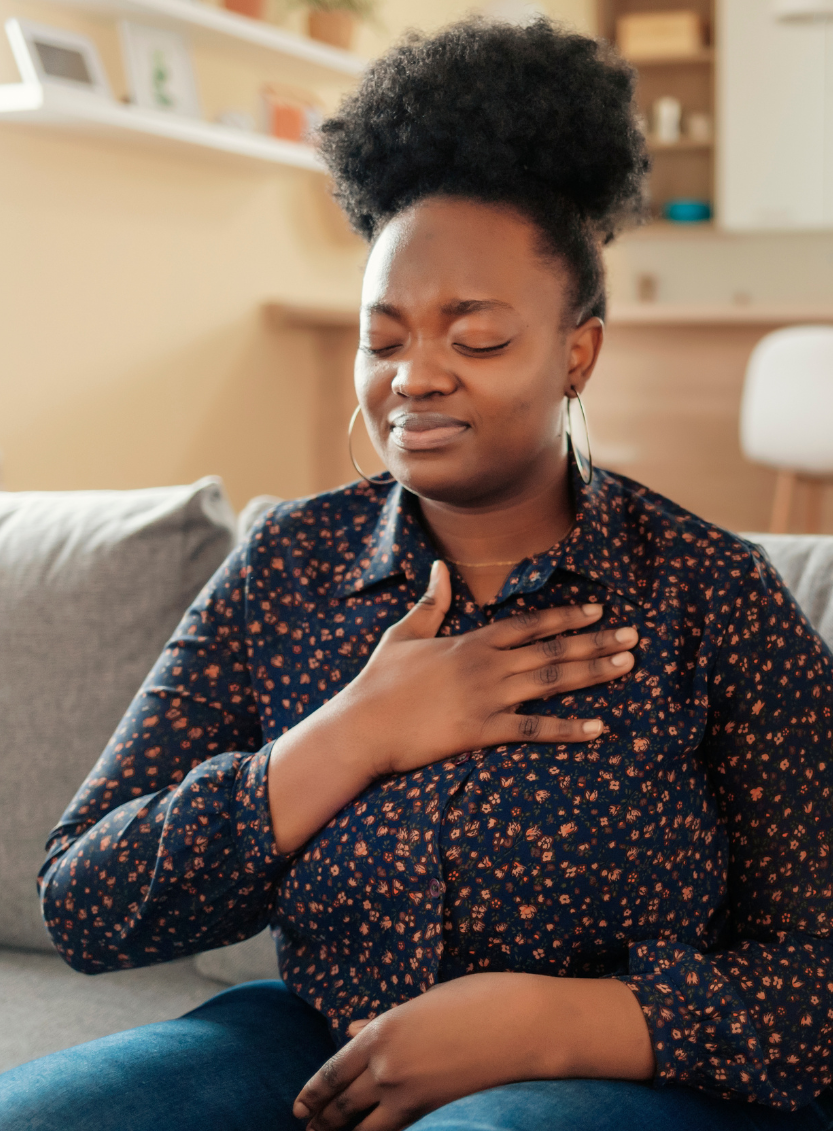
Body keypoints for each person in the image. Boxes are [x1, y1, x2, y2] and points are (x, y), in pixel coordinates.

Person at [3, 15, 833, 1131]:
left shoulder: (708, 594)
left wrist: (554, 1024)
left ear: (576, 351)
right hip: (314, 1036)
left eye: (475, 339)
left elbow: (817, 980)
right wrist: (353, 734)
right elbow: (86, 904)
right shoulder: (288, 566)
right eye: (382, 338)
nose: (415, 377)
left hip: (619, 1074)